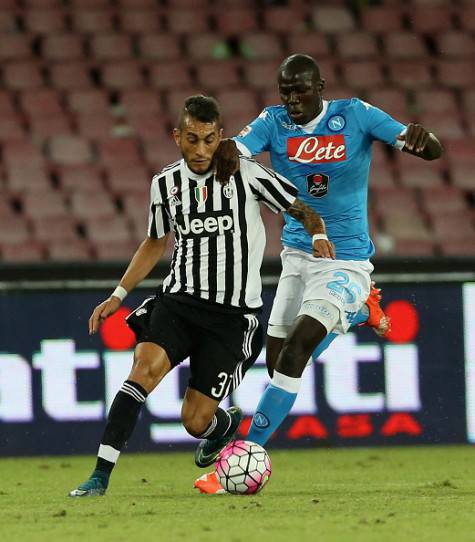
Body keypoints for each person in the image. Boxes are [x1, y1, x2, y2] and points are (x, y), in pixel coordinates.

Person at [194, 54, 443, 494]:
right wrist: (228, 150)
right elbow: (240, 147)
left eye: (300, 90)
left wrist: (426, 141)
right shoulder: (273, 122)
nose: (291, 99)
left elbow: (425, 146)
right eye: (285, 90)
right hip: (297, 255)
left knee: (295, 352)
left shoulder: (356, 115)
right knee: (279, 364)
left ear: (321, 87)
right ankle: (364, 311)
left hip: (345, 261)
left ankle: (241, 457)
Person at [69, 94, 335, 497]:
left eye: (209, 139)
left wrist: (317, 233)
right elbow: (155, 242)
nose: (200, 149)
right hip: (179, 302)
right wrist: (118, 294)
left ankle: (223, 427)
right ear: (177, 136)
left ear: (221, 137)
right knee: (141, 372)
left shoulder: (246, 174)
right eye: (192, 139)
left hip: (232, 318)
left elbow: (301, 208)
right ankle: (99, 477)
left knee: (194, 422)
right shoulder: (166, 184)